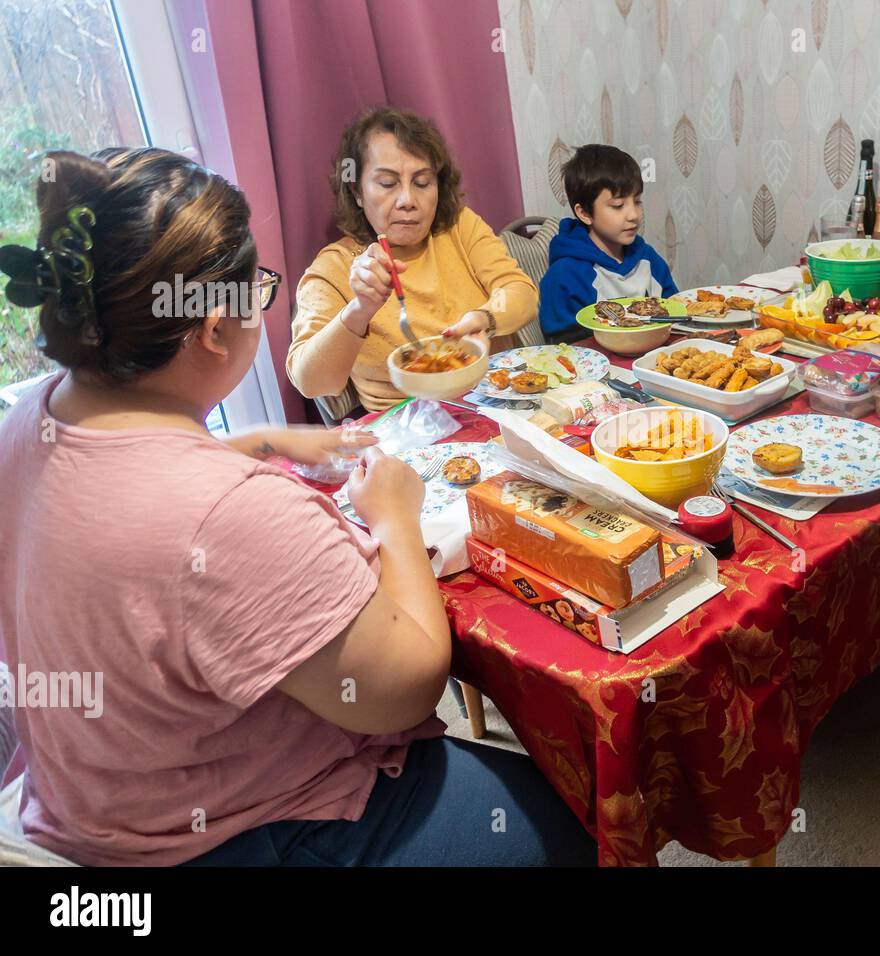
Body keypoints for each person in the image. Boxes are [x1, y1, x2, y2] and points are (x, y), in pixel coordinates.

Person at [0, 147, 593, 866]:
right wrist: (395, 518)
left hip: (93, 804)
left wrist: (254, 439)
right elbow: (406, 687)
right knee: (572, 811)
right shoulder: (232, 513)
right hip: (237, 837)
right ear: (215, 330)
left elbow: (129, 498)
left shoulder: (27, 419)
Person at [287, 107, 539, 413]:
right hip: (408, 428)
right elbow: (311, 381)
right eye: (387, 184)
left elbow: (521, 292)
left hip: (496, 399)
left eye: (422, 183)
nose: (408, 200)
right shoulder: (332, 268)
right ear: (356, 191)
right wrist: (360, 309)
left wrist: (484, 320)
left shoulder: (460, 226)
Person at [538, 143, 678, 341]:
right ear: (584, 213)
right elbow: (562, 344)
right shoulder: (565, 275)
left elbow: (675, 310)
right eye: (618, 205)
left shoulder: (647, 258)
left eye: (637, 202)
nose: (634, 215)